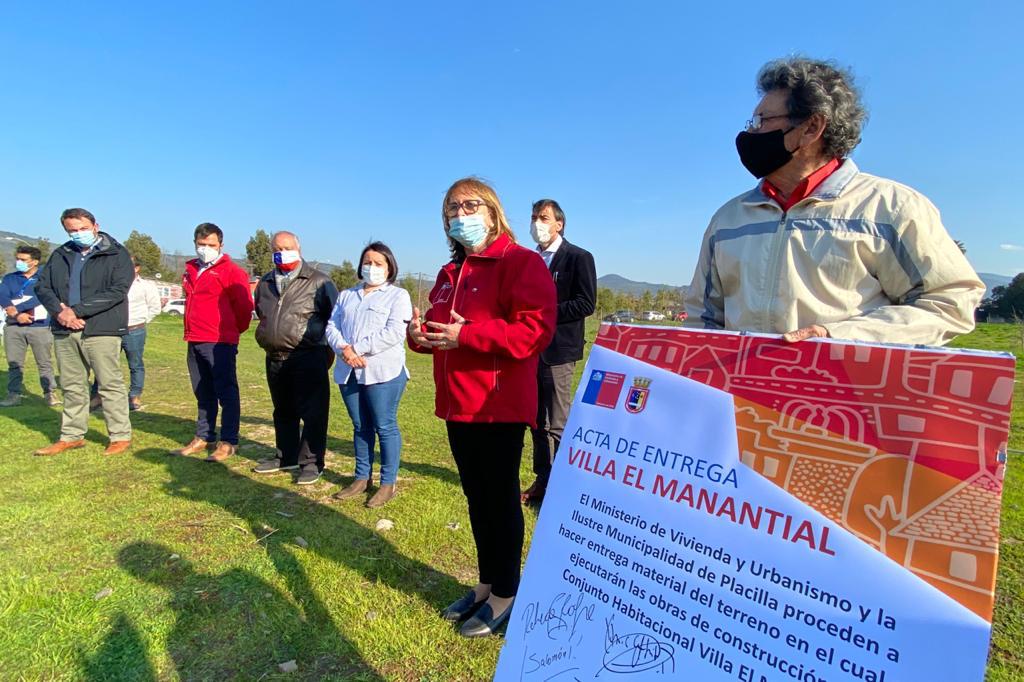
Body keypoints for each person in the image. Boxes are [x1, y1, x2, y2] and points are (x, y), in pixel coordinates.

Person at [684, 57, 984, 345]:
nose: (750, 132)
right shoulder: (728, 219)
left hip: (846, 392)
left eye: (762, 120)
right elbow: (703, 318)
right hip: (745, 396)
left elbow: (949, 301)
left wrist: (840, 337)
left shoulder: (892, 208)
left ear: (812, 128)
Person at [408, 178, 556, 637]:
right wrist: (421, 338)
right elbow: (439, 333)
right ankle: (487, 582)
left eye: (471, 205)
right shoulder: (450, 273)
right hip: (457, 407)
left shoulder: (521, 263)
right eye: (452, 208)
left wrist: (466, 334)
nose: (461, 214)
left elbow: (534, 332)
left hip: (497, 406)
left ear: (493, 213)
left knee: (499, 501)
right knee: (476, 499)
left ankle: (507, 591)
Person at [33, 208, 134, 456]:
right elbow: (42, 286)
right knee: (71, 384)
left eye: (82, 229)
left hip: (101, 328)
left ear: (95, 225)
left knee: (109, 384)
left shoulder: (116, 253)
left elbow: (117, 290)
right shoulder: (61, 254)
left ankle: (120, 435)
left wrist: (77, 311)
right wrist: (60, 312)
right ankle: (71, 435)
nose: (78, 234)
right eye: (72, 230)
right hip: (64, 328)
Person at [521, 199, 596, 506]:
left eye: (544, 217)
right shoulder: (526, 260)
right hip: (527, 351)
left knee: (558, 421)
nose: (537, 223)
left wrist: (543, 312)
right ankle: (543, 478)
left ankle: (564, 484)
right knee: (536, 420)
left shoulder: (578, 257)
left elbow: (585, 303)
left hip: (559, 351)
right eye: (534, 217)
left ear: (559, 224)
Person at [326, 242, 411, 507]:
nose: (371, 268)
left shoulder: (398, 296)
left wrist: (356, 349)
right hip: (349, 371)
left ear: (389, 267)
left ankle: (388, 482)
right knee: (360, 426)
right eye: (367, 262)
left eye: (378, 263)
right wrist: (343, 349)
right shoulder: (346, 295)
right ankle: (362, 477)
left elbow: (394, 332)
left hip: (383, 372)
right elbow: (332, 325)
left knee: (384, 426)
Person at [252, 231, 338, 485]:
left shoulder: (319, 282)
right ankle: (286, 455)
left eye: (287, 247)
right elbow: (261, 313)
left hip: (309, 356)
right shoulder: (266, 283)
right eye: (277, 248)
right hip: (275, 357)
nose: (282, 252)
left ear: (298, 248)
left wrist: (326, 355)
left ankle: (311, 462)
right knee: (283, 411)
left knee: (313, 413)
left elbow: (335, 319)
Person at [172, 223, 254, 461]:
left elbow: (244, 308)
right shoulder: (191, 269)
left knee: (226, 393)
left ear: (220, 245)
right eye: (201, 244)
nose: (205, 249)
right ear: (195, 243)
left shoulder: (232, 272)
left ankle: (228, 441)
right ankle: (203, 436)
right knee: (202, 391)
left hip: (219, 342)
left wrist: (229, 332)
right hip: (194, 338)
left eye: (211, 245)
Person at [89, 254, 161, 411]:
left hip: (134, 330)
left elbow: (154, 307)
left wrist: (141, 321)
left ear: (137, 268)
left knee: (135, 364)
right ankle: (98, 395)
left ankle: (134, 395)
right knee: (103, 364)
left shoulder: (146, 286)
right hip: (111, 330)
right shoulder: (110, 283)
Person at [0, 245, 59, 407]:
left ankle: (49, 393)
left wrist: (17, 309)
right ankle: (13, 394)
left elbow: (41, 297)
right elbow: (3, 297)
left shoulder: (45, 278)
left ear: (35, 262)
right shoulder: (10, 278)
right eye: (17, 259)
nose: (19, 262)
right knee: (14, 363)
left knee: (44, 361)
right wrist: (17, 315)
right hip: (13, 327)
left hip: (39, 327)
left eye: (23, 260)